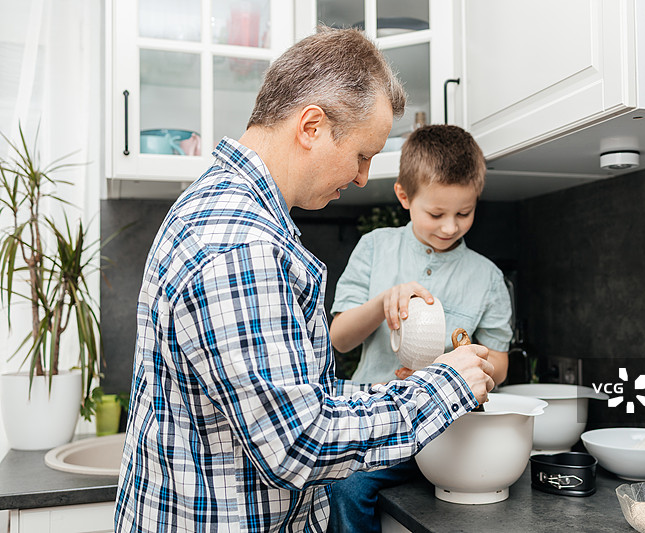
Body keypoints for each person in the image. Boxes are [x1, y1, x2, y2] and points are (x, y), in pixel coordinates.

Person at [114, 28, 495, 533]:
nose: (363, 177)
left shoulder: (231, 211)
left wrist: (392, 392)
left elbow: (301, 399)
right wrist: (442, 388)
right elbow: (297, 442)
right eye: (362, 155)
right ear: (312, 126)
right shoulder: (240, 244)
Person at [327, 124, 513, 533]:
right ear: (404, 197)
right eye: (436, 214)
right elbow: (339, 340)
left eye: (464, 213)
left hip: (447, 432)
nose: (450, 226)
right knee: (343, 488)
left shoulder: (487, 277)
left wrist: (467, 365)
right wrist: (381, 303)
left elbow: (499, 363)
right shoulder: (375, 248)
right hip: (371, 423)